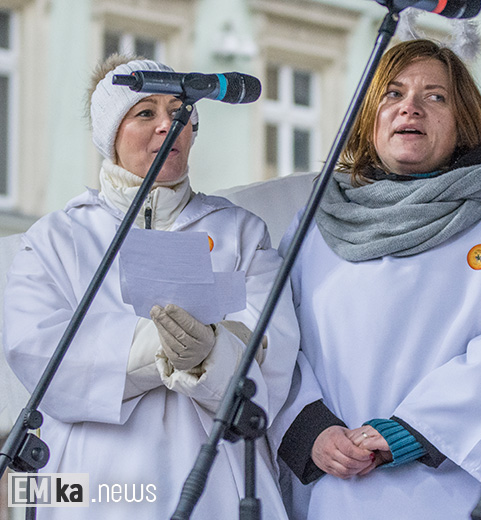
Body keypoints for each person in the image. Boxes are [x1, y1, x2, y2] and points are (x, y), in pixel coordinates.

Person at [266, 39, 481, 519]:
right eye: (394, 93)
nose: (411, 107)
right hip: (332, 489)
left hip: (452, 491)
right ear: (370, 117)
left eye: (435, 96)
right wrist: (310, 429)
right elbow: (276, 341)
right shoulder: (315, 224)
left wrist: (416, 429)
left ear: (462, 122)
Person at [2, 55, 299, 519]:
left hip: (214, 484)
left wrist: (210, 355)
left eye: (180, 113)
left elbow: (273, 358)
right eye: (146, 113)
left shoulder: (241, 232)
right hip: (89, 488)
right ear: (111, 134)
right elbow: (36, 355)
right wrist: (158, 348)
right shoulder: (57, 237)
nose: (168, 125)